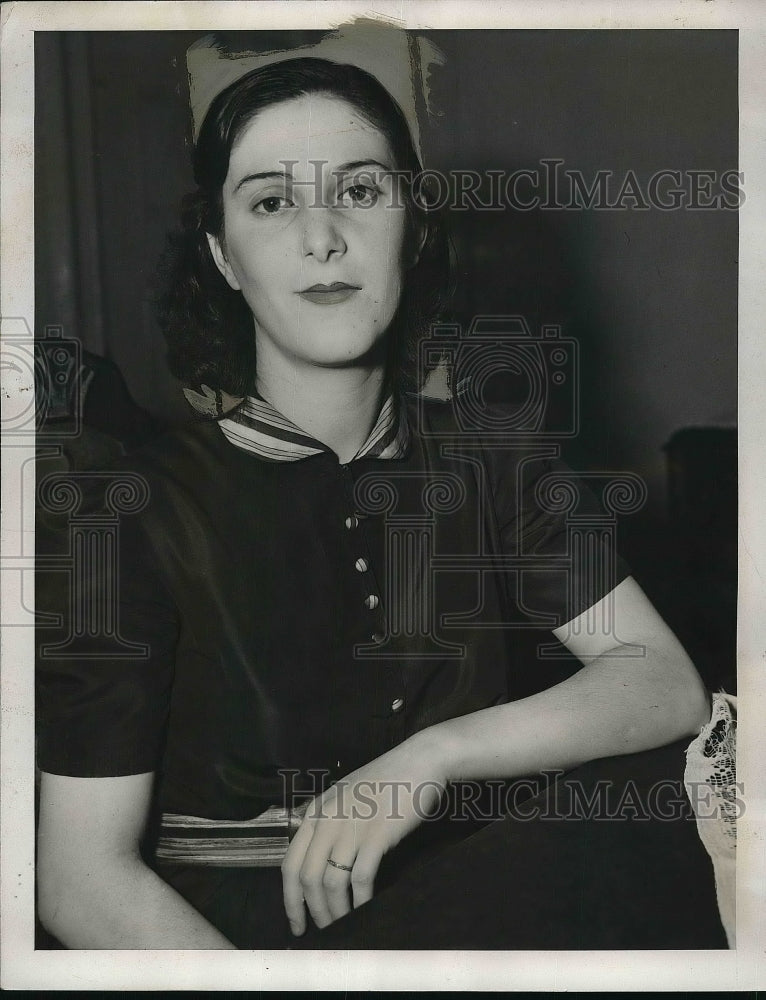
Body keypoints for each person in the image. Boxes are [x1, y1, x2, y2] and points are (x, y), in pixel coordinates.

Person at [35, 39, 712, 951]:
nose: (322, 237)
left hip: (479, 897)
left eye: (359, 190)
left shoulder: (492, 458)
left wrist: (431, 758)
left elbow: (667, 684)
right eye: (271, 201)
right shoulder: (128, 505)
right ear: (223, 257)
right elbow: (78, 880)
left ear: (415, 226)